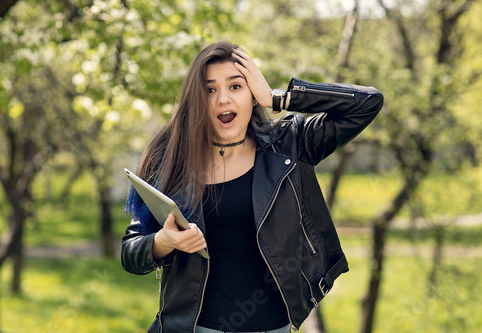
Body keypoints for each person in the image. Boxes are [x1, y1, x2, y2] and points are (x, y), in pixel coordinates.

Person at [122, 40, 383, 333]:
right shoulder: (172, 157)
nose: (223, 99)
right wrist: (164, 242)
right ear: (196, 99)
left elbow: (367, 103)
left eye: (236, 86)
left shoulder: (291, 144)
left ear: (252, 93)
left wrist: (280, 98)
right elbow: (131, 252)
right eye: (210, 89)